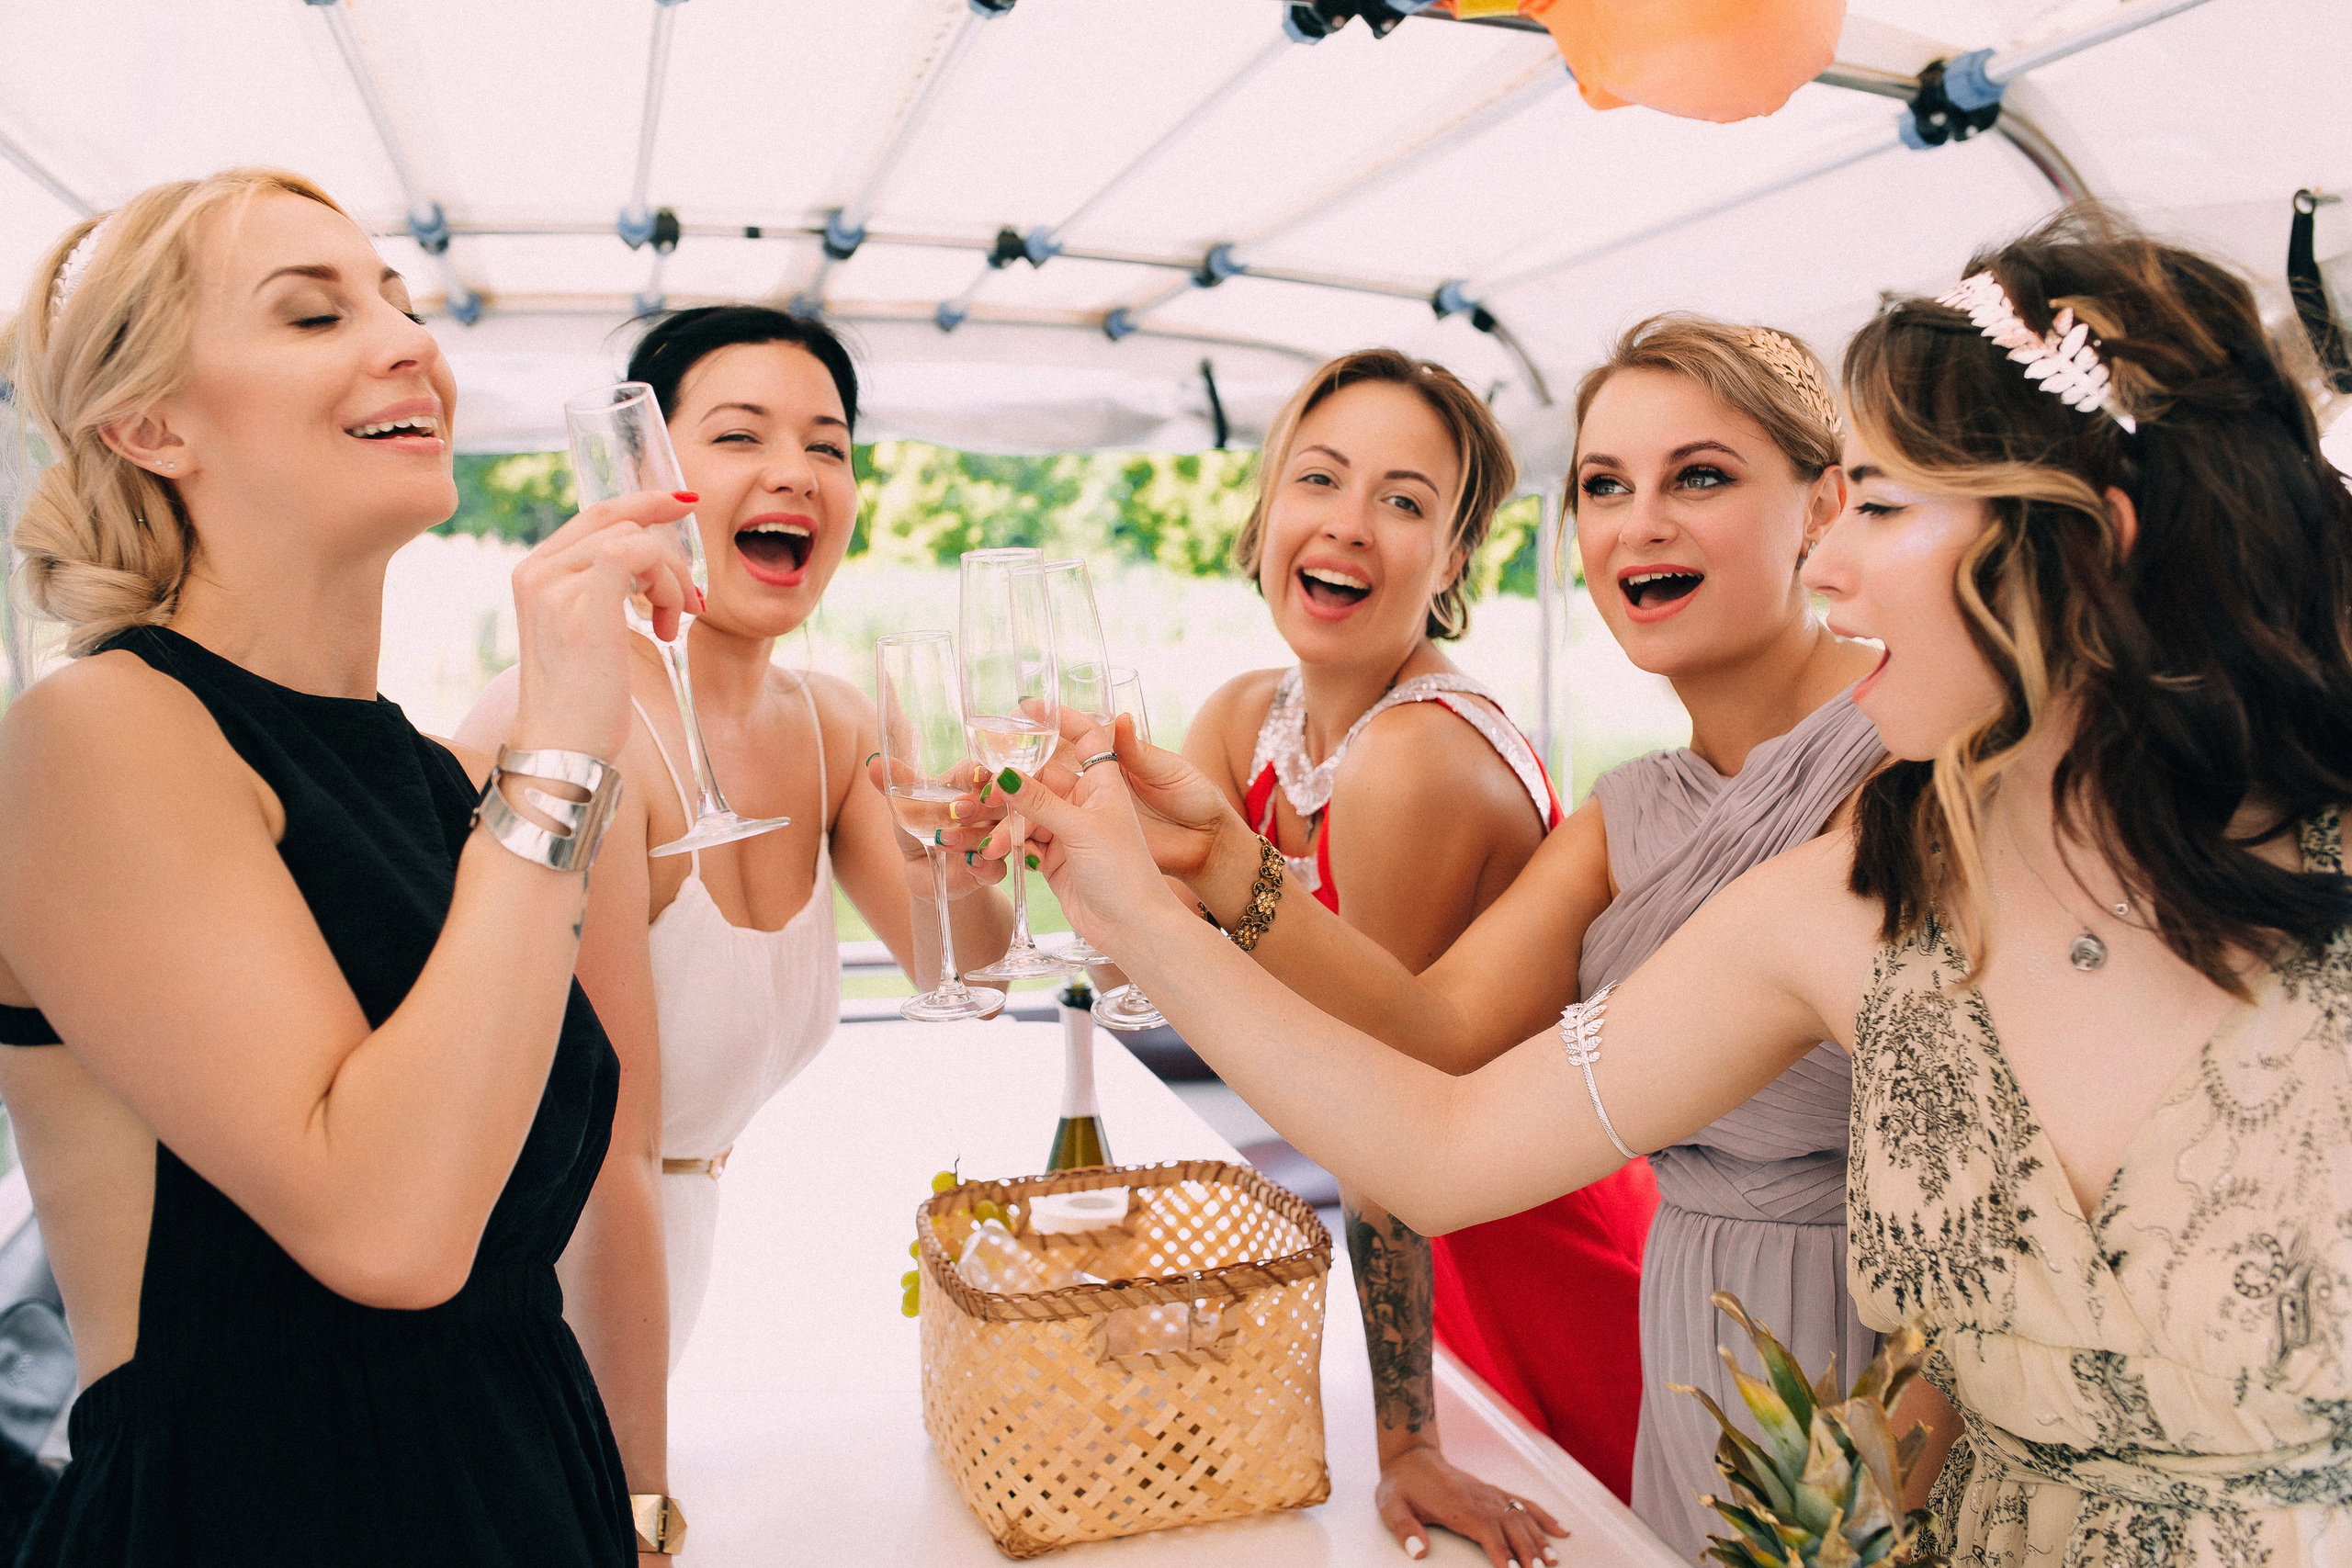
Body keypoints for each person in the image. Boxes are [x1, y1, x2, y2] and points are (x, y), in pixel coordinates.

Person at [1014, 209, 2352, 1563]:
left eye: (1874, 505)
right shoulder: (1843, 894)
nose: (1834, 565)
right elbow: (1441, 1126)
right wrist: (1139, 898)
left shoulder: (1981, 822)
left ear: (2089, 540)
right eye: (1600, 483)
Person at [1050, 315, 1946, 1556]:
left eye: (1700, 476)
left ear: (1824, 506)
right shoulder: (1628, 811)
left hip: (1882, 1400)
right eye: (1604, 485)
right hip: (1694, 1368)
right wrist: (1212, 858)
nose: (1642, 522)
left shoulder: (1924, 753)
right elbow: (1435, 1035)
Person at [0, 170, 692, 1563]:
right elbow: (388, 1226)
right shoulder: (93, 733)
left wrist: (634, 1498)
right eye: (315, 315)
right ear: (149, 424)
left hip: (519, 1485)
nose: (406, 342)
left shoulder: (429, 776)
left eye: (399, 301)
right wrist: (560, 743)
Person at [456, 308, 1014, 1480]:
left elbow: (962, 965)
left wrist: (980, 845)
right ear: (645, 478)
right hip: (520, 1286)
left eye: (829, 444)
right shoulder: (573, 724)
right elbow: (611, 1156)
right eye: (740, 436)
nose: (793, 474)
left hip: (657, 1274)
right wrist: (643, 1505)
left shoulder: (834, 722)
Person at [1176, 346, 1608, 1566]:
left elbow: (1389, 1113)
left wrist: (1408, 1442)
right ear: (1269, 508)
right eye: (1320, 478)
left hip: (1530, 1254)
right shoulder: (1241, 716)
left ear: (1454, 559)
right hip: (1414, 1235)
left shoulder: (1412, 761)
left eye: (1405, 500)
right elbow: (1158, 956)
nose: (1349, 525)